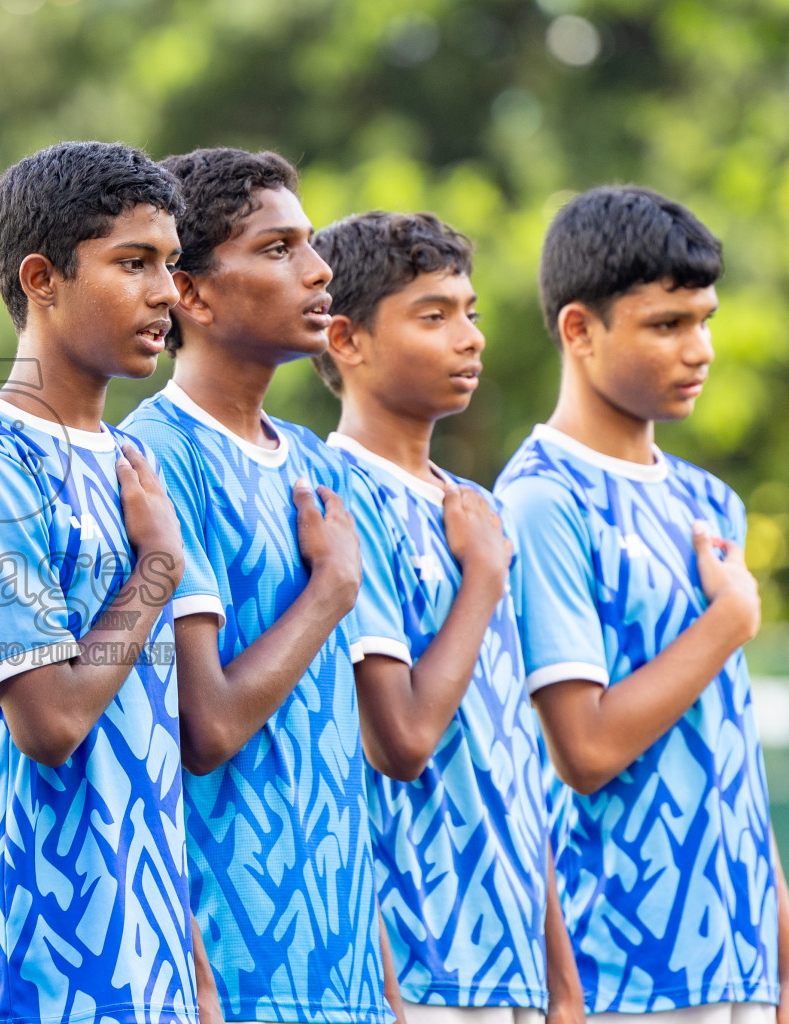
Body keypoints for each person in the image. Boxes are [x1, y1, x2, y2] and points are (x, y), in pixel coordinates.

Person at [0, 140, 202, 1024]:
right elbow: (49, 722)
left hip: (146, 952)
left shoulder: (129, 460)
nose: (166, 293)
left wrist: (187, 964)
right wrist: (155, 571)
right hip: (34, 961)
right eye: (133, 264)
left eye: (171, 264)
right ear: (41, 278)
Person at [494, 185, 787, 1024]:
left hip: (737, 963)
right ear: (579, 329)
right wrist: (728, 622)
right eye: (667, 325)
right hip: (619, 966)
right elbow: (582, 750)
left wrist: (777, 952)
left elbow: (727, 750)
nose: (699, 349)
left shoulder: (710, 502)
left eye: (706, 320)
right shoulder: (543, 502)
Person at [120, 146, 392, 1024]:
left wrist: (378, 966)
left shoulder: (315, 464)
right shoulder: (154, 456)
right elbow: (209, 724)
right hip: (231, 969)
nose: (319, 273)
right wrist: (328, 593)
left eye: (310, 245)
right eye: (278, 250)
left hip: (344, 960)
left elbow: (347, 744)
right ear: (189, 293)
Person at [312, 210, 582, 1024]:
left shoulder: (478, 514)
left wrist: (562, 987)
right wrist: (483, 581)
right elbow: (398, 741)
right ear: (346, 340)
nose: (469, 338)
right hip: (419, 973)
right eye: (433, 316)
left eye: (470, 313)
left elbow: (517, 771)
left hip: (514, 975)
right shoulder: (335, 495)